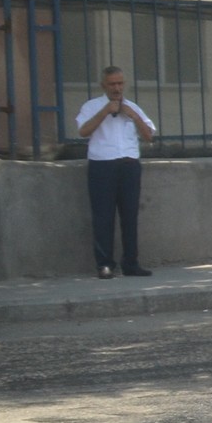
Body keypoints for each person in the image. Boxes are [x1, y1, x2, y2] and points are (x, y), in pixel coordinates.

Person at [73, 67, 156, 277]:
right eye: (112, 84)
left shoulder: (132, 107)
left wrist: (134, 116)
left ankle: (131, 262)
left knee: (130, 215)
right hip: (103, 165)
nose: (117, 88)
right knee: (103, 216)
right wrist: (105, 112)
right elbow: (83, 131)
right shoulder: (92, 106)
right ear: (104, 86)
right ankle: (104, 264)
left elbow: (149, 136)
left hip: (129, 165)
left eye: (120, 83)